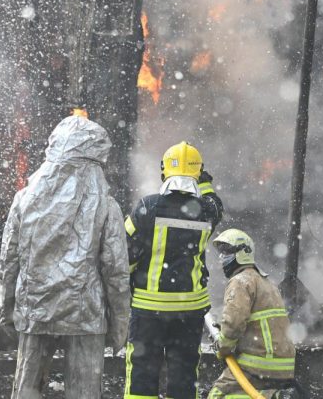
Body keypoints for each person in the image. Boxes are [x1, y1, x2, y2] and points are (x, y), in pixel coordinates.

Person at [0, 115, 130, 399]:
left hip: (35, 309)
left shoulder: (24, 198)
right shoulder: (107, 206)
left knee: (27, 389)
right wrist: (120, 324)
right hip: (85, 315)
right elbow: (116, 270)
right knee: (84, 392)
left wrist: (8, 309)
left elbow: (9, 260)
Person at [124, 141, 224, 399]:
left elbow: (124, 258)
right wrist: (204, 183)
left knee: (141, 378)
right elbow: (216, 204)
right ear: (198, 173)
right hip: (188, 312)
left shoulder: (146, 207)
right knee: (183, 379)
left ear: (164, 172)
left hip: (148, 312)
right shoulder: (205, 212)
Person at [208, 228, 297, 399]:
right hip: (282, 366)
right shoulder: (267, 282)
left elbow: (233, 324)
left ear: (244, 252)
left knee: (218, 394)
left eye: (227, 251)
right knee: (245, 393)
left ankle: (271, 396)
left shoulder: (240, 281)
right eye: (221, 252)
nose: (221, 257)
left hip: (259, 364)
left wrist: (223, 346)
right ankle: (275, 395)